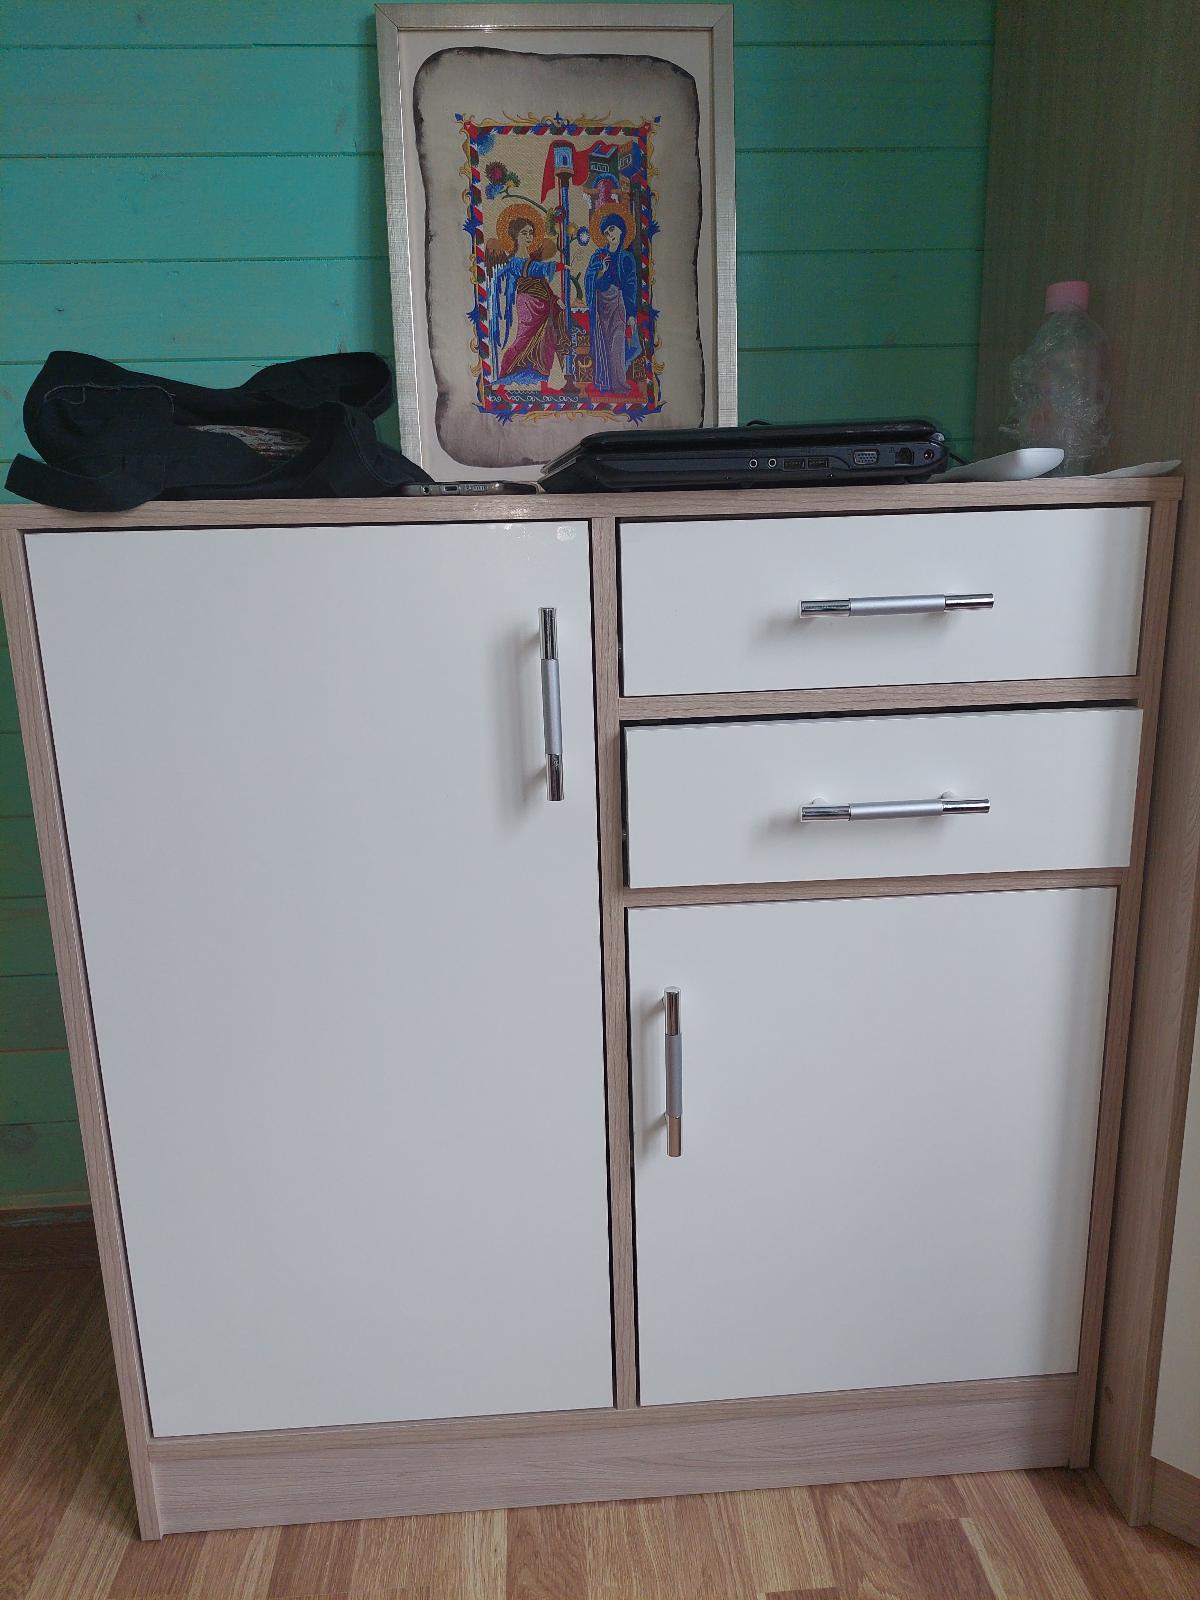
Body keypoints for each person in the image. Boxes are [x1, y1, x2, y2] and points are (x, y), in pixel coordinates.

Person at [486, 214, 566, 385]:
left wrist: (554, 299)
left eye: (531, 232)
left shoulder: (530, 258)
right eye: (524, 233)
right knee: (524, 337)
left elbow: (542, 283)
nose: (529, 236)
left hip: (544, 304)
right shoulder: (514, 261)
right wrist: (558, 266)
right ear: (515, 236)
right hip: (529, 303)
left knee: (546, 338)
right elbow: (534, 270)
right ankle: (507, 372)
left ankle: (538, 372)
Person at [584, 214, 639, 394]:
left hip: (619, 303)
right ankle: (604, 382)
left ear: (621, 229)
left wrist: (631, 314)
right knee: (604, 343)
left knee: (618, 343)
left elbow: (631, 286)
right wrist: (601, 272)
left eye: (612, 229)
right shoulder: (598, 255)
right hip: (601, 305)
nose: (610, 235)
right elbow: (590, 279)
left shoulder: (627, 258)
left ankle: (619, 383)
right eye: (606, 233)